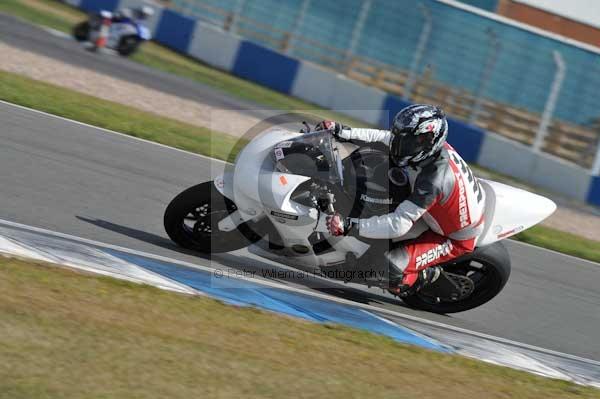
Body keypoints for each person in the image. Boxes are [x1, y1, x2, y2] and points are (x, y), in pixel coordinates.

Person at [315, 104, 485, 297]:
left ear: (428, 140)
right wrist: (343, 131)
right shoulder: (426, 149)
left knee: (388, 268)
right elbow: (386, 138)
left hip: (452, 237)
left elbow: (399, 224)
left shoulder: (434, 179)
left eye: (408, 141)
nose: (399, 145)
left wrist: (349, 226)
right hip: (436, 207)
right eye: (401, 137)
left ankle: (424, 277)